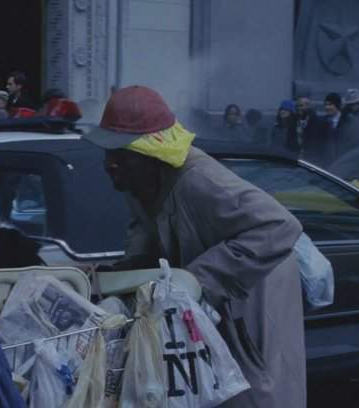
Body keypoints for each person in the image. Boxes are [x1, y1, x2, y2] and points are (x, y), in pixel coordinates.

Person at [83, 85, 305, 407]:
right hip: (212, 305)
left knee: (255, 390)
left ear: (149, 153)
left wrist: (196, 279)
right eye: (108, 152)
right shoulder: (138, 185)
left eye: (119, 154)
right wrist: (115, 278)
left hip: (252, 294)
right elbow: (144, 243)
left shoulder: (199, 179)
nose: (109, 164)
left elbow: (280, 225)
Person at [305, 92, 343, 167]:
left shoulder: (346, 120)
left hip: (342, 160)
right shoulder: (321, 121)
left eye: (330, 104)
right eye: (325, 105)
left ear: (337, 105)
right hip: (325, 163)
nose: (327, 107)